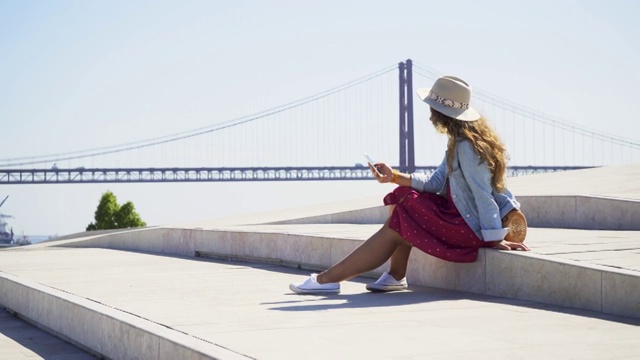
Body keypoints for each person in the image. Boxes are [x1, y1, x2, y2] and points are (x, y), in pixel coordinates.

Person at [289, 75, 530, 295]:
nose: (429, 114)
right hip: (461, 218)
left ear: (442, 111)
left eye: (432, 107)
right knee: (401, 194)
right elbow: (435, 182)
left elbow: (483, 195)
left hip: (471, 228)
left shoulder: (466, 147)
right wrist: (392, 175)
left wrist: (493, 239)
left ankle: (328, 280)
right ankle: (393, 276)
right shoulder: (458, 141)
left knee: (398, 222)